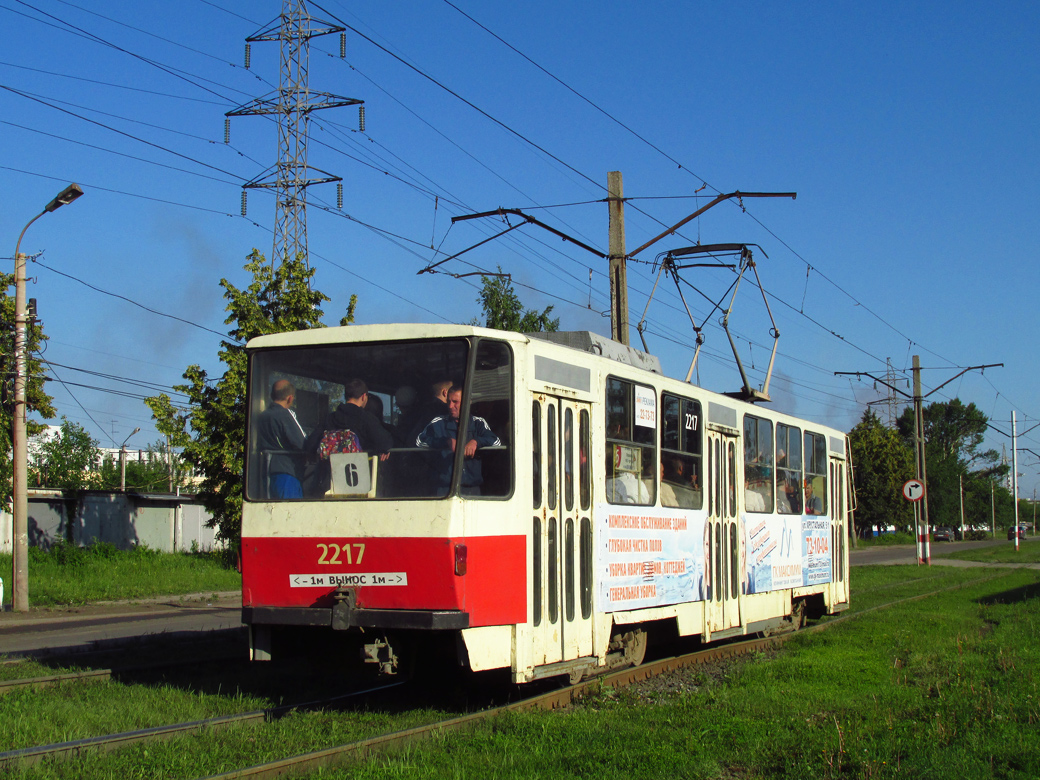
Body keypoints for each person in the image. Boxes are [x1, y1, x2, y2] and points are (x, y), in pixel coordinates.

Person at [416, 384, 500, 495]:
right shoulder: (438, 422)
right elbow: (419, 441)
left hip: (472, 489)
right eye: (449, 401)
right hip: (444, 490)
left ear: (467, 402)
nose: (450, 406)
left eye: (455, 402)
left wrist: (476, 442)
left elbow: (496, 442)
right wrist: (445, 442)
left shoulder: (478, 422)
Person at [258, 379, 307, 499]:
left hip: (266, 472)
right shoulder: (285, 415)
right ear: (290, 398)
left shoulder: (262, 416)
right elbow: (302, 443)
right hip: (287, 474)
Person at [324, 379, 394, 461]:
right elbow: (385, 442)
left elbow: (312, 442)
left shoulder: (330, 418)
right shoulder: (366, 418)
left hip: (331, 470)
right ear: (364, 396)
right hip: (357, 469)